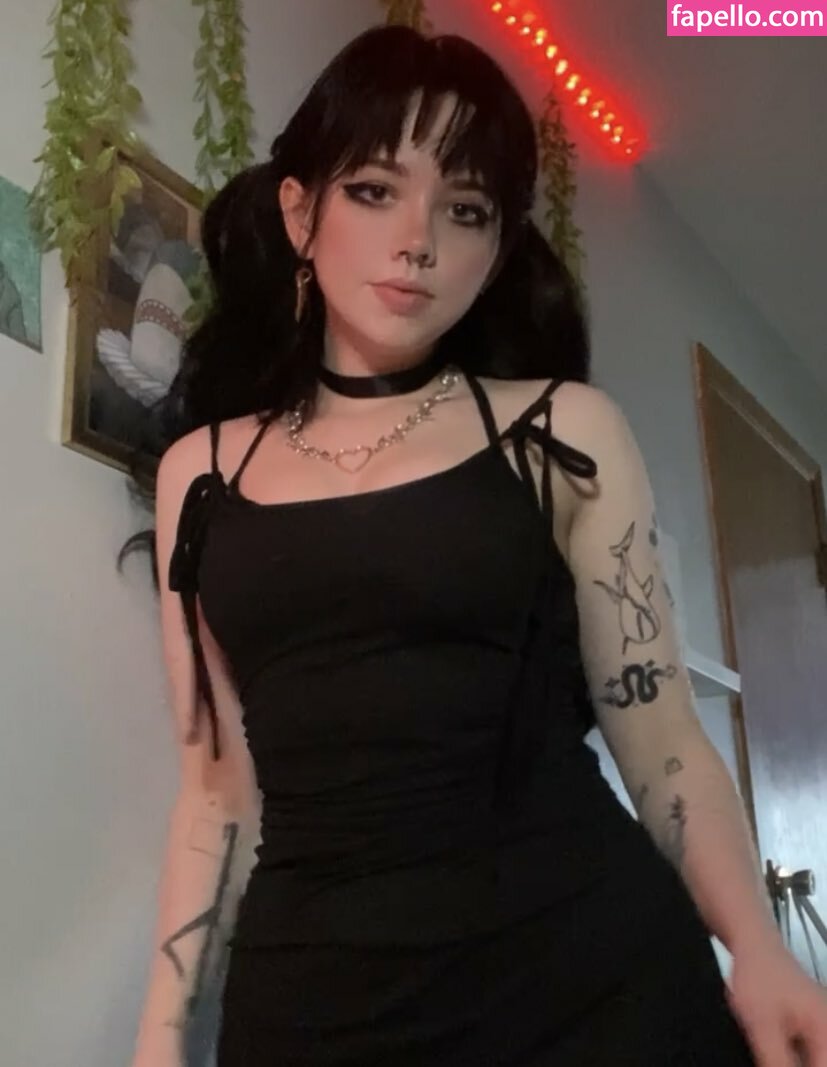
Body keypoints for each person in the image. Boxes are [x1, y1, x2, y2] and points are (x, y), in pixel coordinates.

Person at [129, 23, 824, 1067]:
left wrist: (759, 949)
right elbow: (214, 793)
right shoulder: (202, 472)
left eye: (464, 210)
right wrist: (158, 1036)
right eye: (374, 190)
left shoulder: (561, 432)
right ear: (299, 211)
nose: (417, 239)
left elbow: (662, 738)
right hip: (316, 996)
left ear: (495, 248)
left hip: (592, 981)